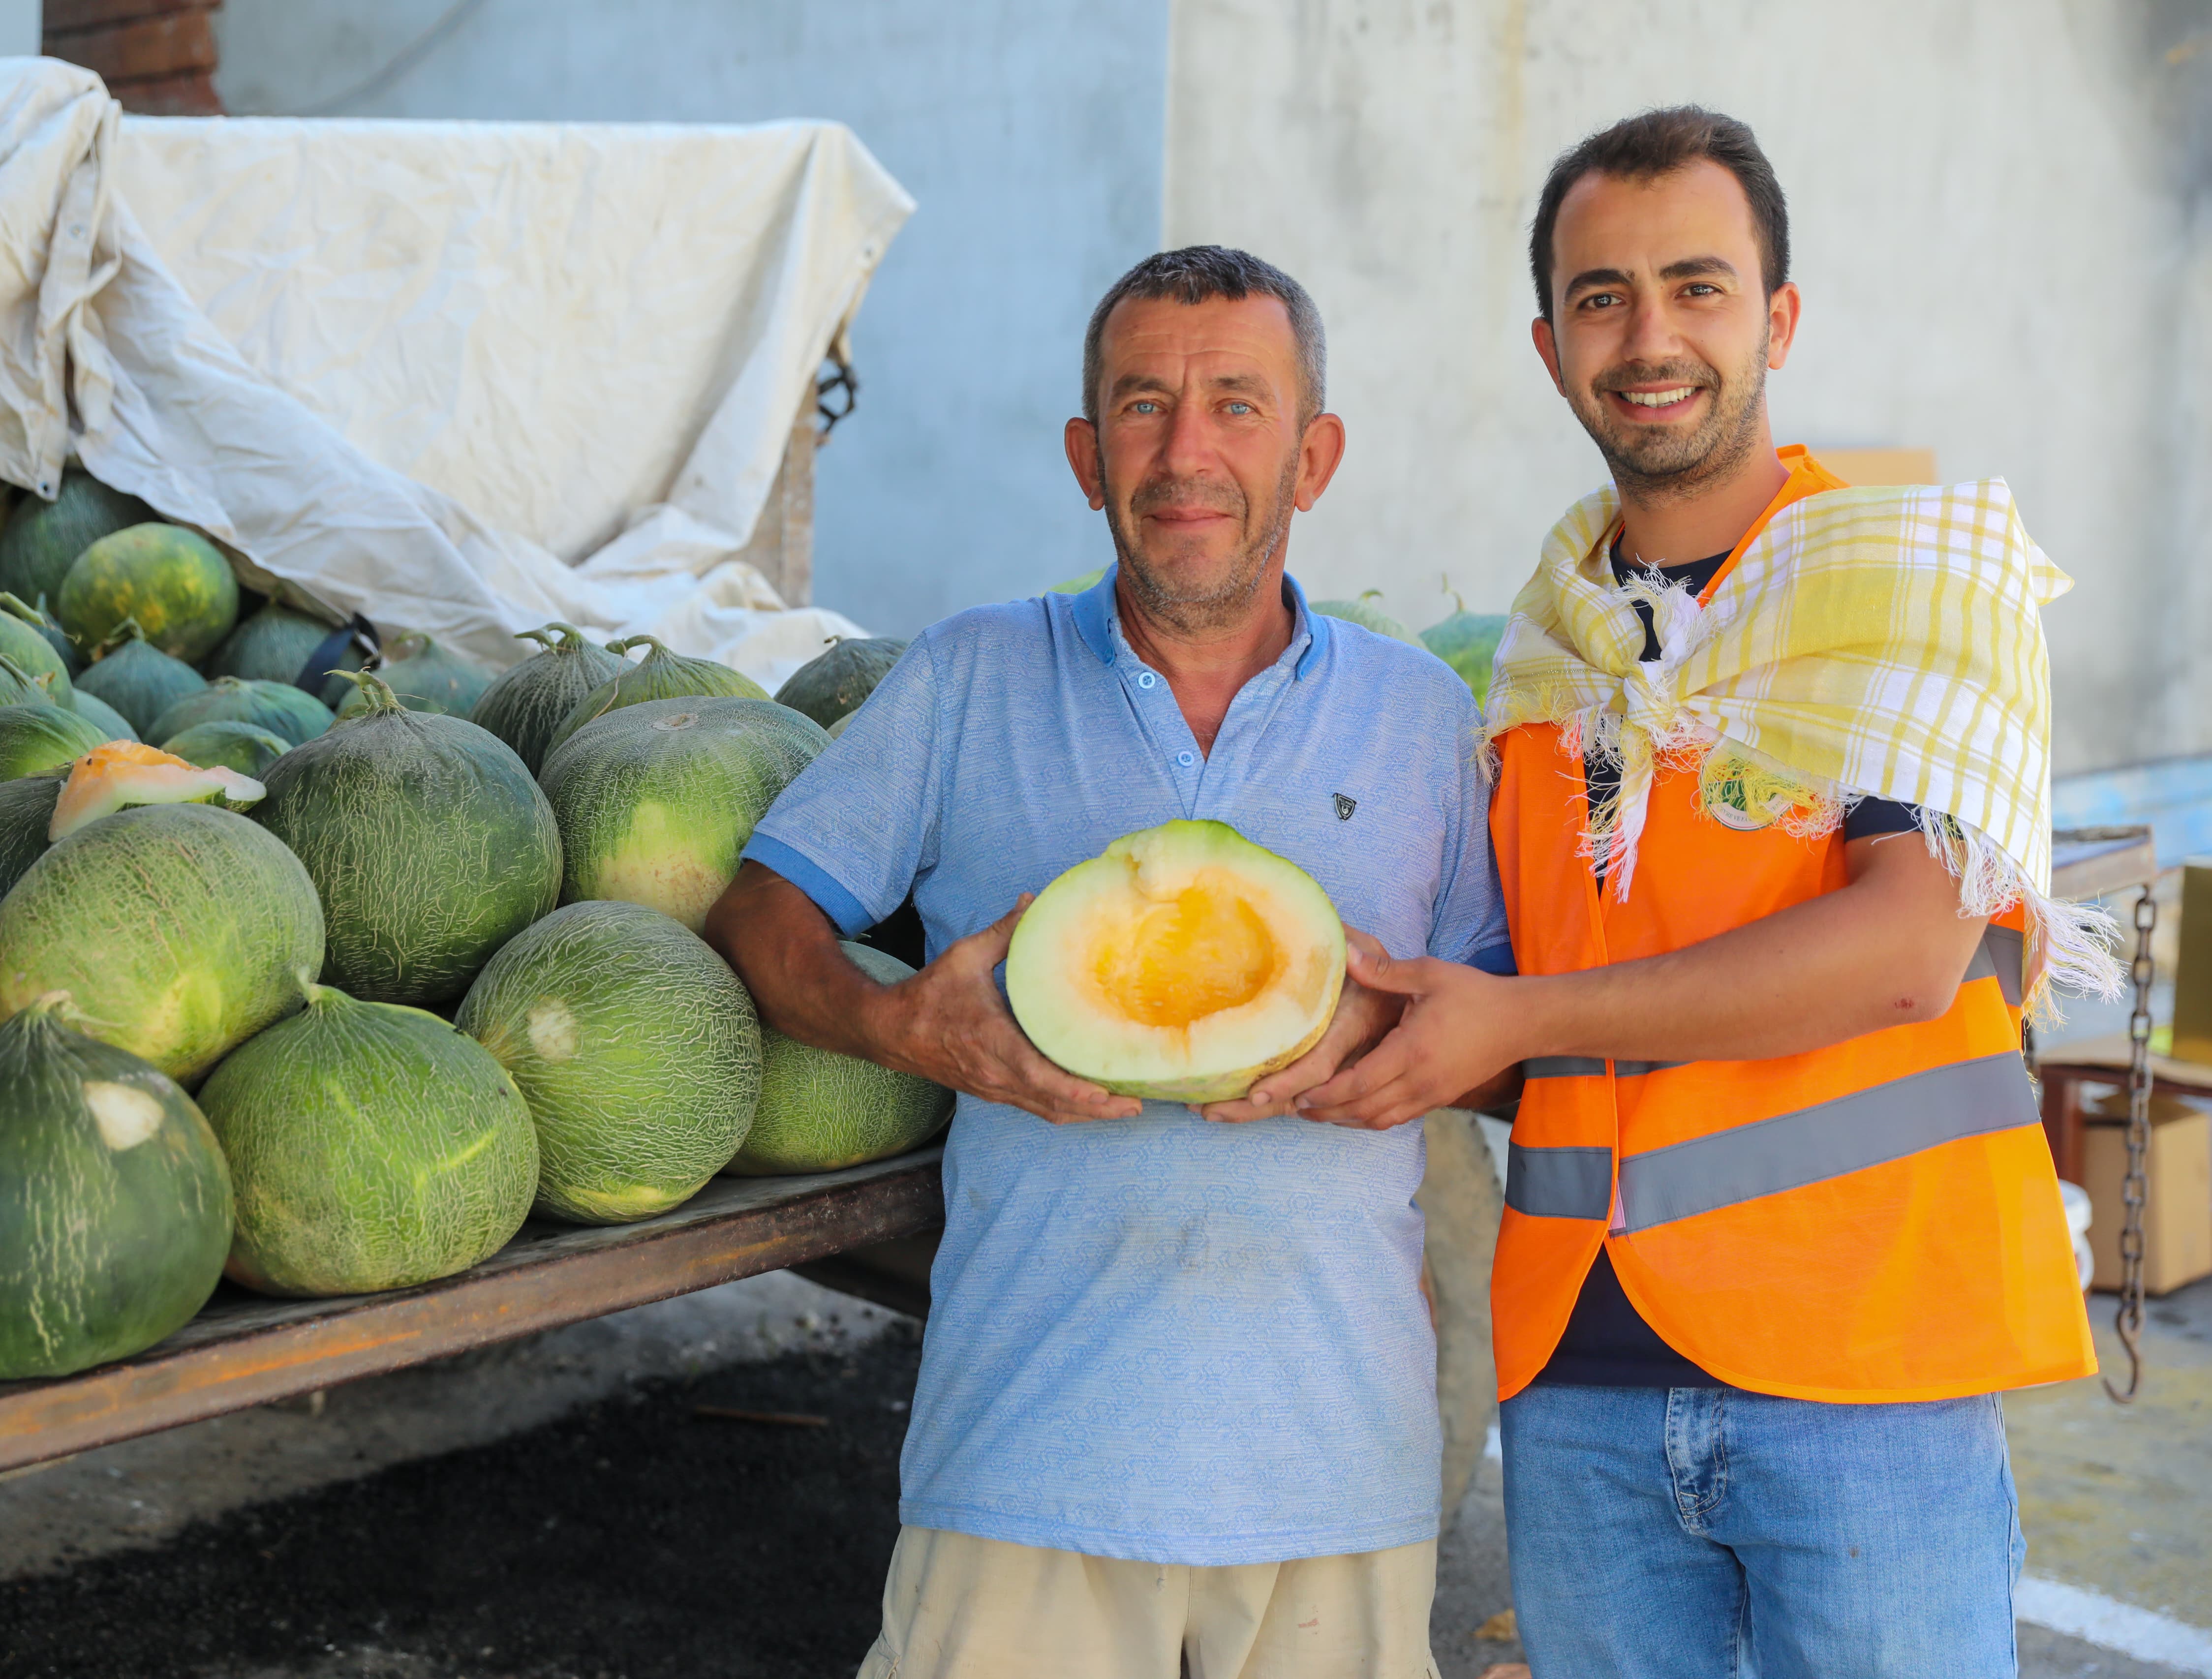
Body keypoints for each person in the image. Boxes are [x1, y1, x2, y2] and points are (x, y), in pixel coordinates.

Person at [1237, 108, 2109, 1677]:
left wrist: (1522, 1012)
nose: (1651, 338)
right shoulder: (1543, 649)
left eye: (1698, 288)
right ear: (1549, 341)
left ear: (1777, 317)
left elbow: (1910, 951)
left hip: (1868, 1367)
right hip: (1580, 1377)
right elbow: (1509, 1010)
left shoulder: (1914, 578)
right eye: (1602, 297)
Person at [702, 244, 1508, 1679]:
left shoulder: (1427, 718)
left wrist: (1400, 1052)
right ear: (1088, 455)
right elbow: (762, 917)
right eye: (1144, 406)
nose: (1186, 452)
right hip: (1027, 1453)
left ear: (1315, 457)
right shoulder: (966, 677)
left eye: (1239, 407)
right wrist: (902, 1028)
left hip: (1336, 1465)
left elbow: (1498, 1037)